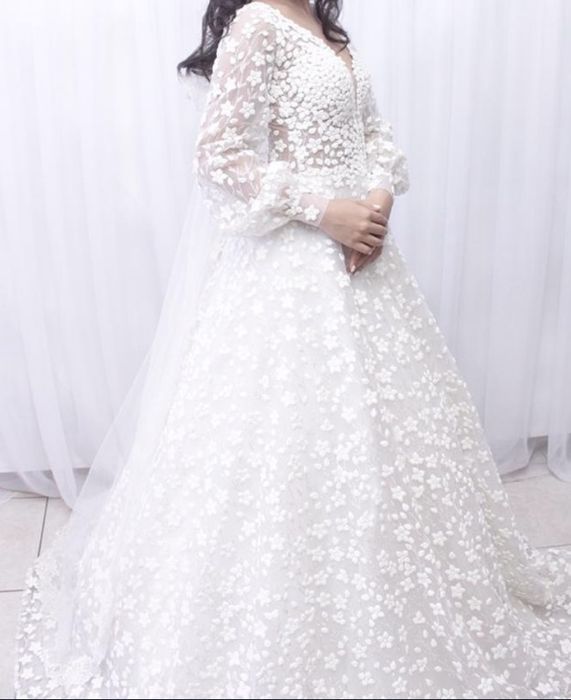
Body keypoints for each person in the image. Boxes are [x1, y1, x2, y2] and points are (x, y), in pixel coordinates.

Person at [15, 1, 571, 697]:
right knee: (287, 437)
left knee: (385, 442)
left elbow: (373, 134)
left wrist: (375, 204)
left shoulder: (326, 29)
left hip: (365, 262)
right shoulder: (258, 23)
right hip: (292, 268)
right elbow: (219, 153)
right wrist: (325, 211)